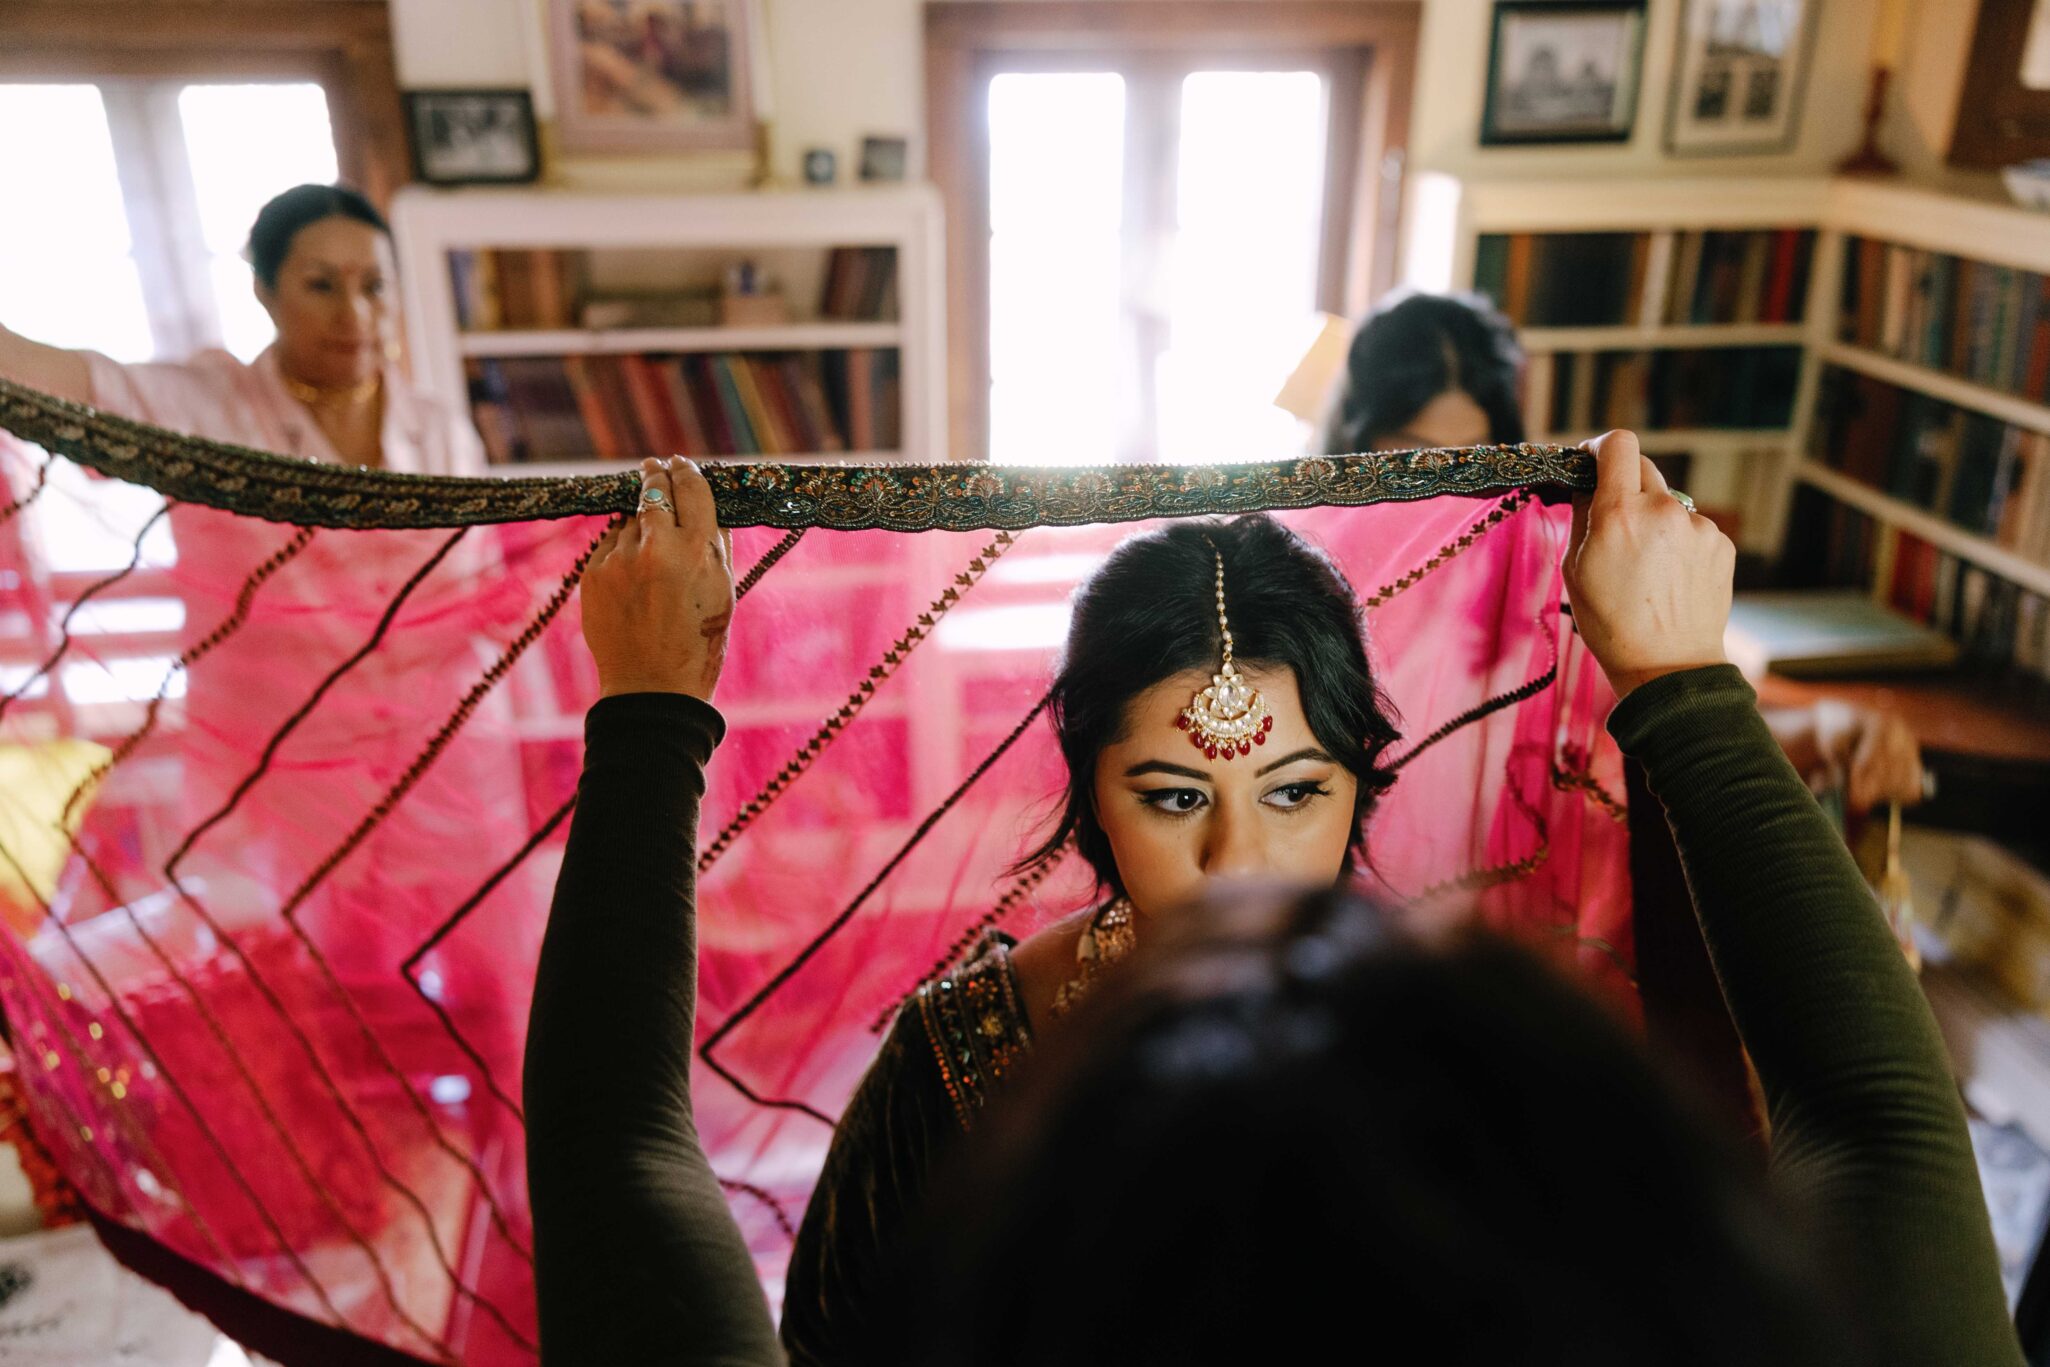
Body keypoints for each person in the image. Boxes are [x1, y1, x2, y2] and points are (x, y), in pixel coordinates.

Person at [524, 439, 2024, 1366]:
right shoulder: (1467, 1058)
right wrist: (1680, 679)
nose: (1238, 861)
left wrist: (652, 704)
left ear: (1366, 788)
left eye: (1296, 790)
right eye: (1175, 794)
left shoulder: (1445, 1059)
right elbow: (1881, 1121)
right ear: (1088, 793)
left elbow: (615, 1159)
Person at [1325, 289, 1925, 815]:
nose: (1444, 490)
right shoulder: (1310, 571)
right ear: (1356, 441)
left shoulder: (1547, 572)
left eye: (1469, 458)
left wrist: (1821, 729)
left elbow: (1652, 711)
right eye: (1409, 460)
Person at [0, 182, 483, 475]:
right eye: (320, 285)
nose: (354, 315)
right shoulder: (206, 411)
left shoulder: (441, 428)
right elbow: (66, 383)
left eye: (376, 286)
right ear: (264, 291)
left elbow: (489, 582)